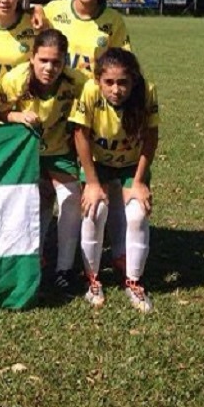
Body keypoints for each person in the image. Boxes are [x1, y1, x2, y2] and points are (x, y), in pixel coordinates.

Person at [0, 29, 88, 294]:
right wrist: (17, 116)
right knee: (34, 204)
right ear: (32, 58)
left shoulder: (78, 82)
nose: (49, 68)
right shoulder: (15, 79)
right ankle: (31, 260)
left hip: (60, 151)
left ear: (65, 61)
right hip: (28, 153)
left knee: (70, 199)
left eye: (56, 62)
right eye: (43, 60)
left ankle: (64, 270)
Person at [70, 48, 159, 311]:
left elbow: (151, 137)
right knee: (94, 211)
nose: (116, 89)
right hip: (98, 164)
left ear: (133, 81)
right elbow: (80, 134)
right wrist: (92, 183)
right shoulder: (89, 91)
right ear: (98, 80)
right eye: (109, 82)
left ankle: (134, 281)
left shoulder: (147, 92)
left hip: (131, 166)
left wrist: (139, 181)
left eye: (123, 82)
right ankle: (92, 279)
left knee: (138, 215)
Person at [34, 0, 131, 76]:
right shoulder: (55, 9)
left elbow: (123, 60)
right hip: (60, 85)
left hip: (93, 86)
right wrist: (37, 10)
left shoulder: (114, 20)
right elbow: (24, 12)